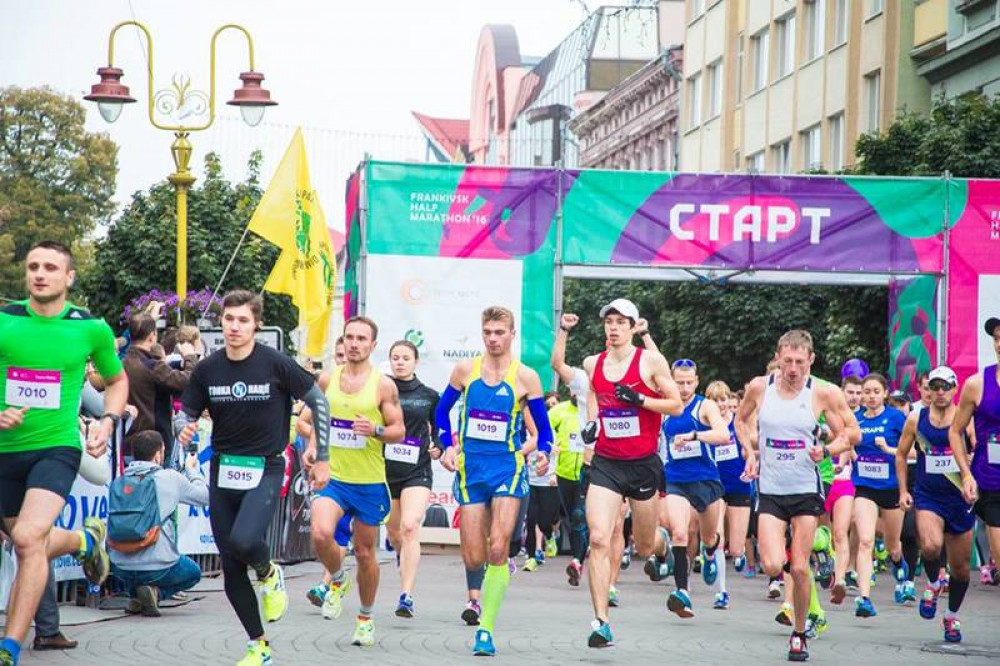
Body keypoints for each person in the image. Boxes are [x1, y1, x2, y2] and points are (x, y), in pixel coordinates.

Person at [177, 290, 331, 666]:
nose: (235, 327)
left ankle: (268, 571)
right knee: (230, 565)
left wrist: (323, 456)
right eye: (229, 319)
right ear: (221, 322)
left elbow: (319, 400)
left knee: (245, 541)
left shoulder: (275, 363)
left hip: (266, 467)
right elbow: (185, 413)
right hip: (223, 470)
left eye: (243, 320)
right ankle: (258, 646)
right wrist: (184, 427)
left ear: (256, 325)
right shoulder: (207, 370)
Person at [0, 241, 126, 666]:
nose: (40, 274)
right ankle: (83, 540)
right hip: (5, 451)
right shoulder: (5, 320)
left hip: (56, 448)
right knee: (28, 544)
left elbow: (117, 380)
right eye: (33, 266)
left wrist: (107, 420)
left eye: (51, 267)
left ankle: (9, 647)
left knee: (26, 537)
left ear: (69, 277)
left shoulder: (90, 328)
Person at [434, 306, 554, 657]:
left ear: (512, 334)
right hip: (471, 471)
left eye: (499, 332)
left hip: (507, 469)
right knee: (474, 556)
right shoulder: (465, 371)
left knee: (498, 547)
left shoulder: (526, 377)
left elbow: (544, 429)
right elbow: (441, 412)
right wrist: (447, 445)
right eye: (487, 332)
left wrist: (544, 452)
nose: (493, 338)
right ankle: (492, 576)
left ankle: (485, 629)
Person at [736, 330, 858, 663]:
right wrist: (749, 452)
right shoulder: (760, 387)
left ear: (811, 360)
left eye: (799, 362)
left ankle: (799, 634)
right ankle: (819, 545)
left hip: (805, 489)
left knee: (800, 568)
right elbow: (741, 420)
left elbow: (852, 433)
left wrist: (827, 450)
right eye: (787, 361)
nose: (792, 369)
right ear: (777, 358)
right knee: (773, 564)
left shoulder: (823, 393)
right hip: (771, 489)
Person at [579, 298, 682, 648]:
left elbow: (675, 404)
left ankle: (661, 544)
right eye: (609, 321)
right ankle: (601, 621)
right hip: (606, 463)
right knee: (598, 538)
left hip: (642, 465)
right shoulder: (593, 362)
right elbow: (594, 393)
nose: (613, 327)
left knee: (643, 545)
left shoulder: (651, 361)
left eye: (621, 322)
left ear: (634, 327)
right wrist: (592, 422)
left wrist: (640, 400)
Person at [304, 316, 404, 647]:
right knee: (321, 533)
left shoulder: (383, 385)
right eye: (349, 337)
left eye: (362, 338)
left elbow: (399, 430)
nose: (354, 343)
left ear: (373, 345)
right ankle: (337, 577)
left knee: (364, 552)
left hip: (369, 482)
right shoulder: (327, 379)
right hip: (334, 477)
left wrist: (375, 430)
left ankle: (365, 617)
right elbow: (313, 421)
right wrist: (314, 447)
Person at [896, 366, 974, 643]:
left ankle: (951, 616)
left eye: (946, 387)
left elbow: (978, 448)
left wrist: (972, 472)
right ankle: (933, 583)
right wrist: (903, 491)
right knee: (930, 546)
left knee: (961, 568)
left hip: (959, 498)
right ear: (928, 390)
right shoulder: (916, 419)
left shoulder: (965, 418)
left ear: (955, 389)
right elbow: (901, 454)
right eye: (935, 387)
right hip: (928, 495)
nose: (940, 392)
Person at [649, 360, 731, 615]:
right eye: (679, 383)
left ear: (696, 382)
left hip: (706, 481)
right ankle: (682, 592)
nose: (684, 388)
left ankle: (709, 553)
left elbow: (723, 435)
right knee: (679, 533)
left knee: (709, 537)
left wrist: (695, 435)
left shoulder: (704, 406)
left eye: (688, 383)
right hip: (676, 481)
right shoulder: (666, 408)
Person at [109, 430, 208, 616]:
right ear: (157, 455)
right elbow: (204, 496)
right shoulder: (169, 477)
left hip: (119, 565)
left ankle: (137, 596)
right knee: (193, 572)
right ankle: (156, 594)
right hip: (158, 565)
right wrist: (192, 470)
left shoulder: (118, 481)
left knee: (135, 572)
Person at [385, 340, 441, 618]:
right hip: (385, 471)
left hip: (417, 470)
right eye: (395, 357)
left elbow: (440, 430)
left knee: (409, 527)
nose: (400, 362)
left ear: (416, 361)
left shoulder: (429, 395)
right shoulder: (381, 390)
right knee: (395, 533)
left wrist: (438, 446)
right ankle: (401, 554)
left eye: (405, 358)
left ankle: (406, 595)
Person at [850, 373, 911, 617]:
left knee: (893, 546)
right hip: (865, 488)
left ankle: (899, 565)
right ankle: (864, 598)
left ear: (885, 393)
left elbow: (912, 452)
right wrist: (848, 453)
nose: (871, 396)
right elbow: (846, 442)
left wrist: (888, 449)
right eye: (867, 392)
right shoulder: (855, 420)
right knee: (865, 541)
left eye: (876, 391)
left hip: (891, 489)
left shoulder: (896, 418)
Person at [949, 316, 1000, 606]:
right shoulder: (977, 384)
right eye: (997, 338)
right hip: (991, 484)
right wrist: (966, 474)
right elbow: (955, 431)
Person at [122, 313, 200, 462]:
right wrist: (190, 356)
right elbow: (188, 381)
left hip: (126, 444)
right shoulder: (152, 367)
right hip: (153, 448)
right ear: (152, 336)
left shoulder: (122, 364)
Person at [707, 382, 754, 581]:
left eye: (723, 399)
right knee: (717, 539)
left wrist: (749, 454)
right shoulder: (704, 425)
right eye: (714, 400)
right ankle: (721, 591)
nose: (720, 404)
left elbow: (752, 447)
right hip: (715, 486)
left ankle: (740, 553)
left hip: (738, 485)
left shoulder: (738, 423)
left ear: (729, 400)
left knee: (735, 548)